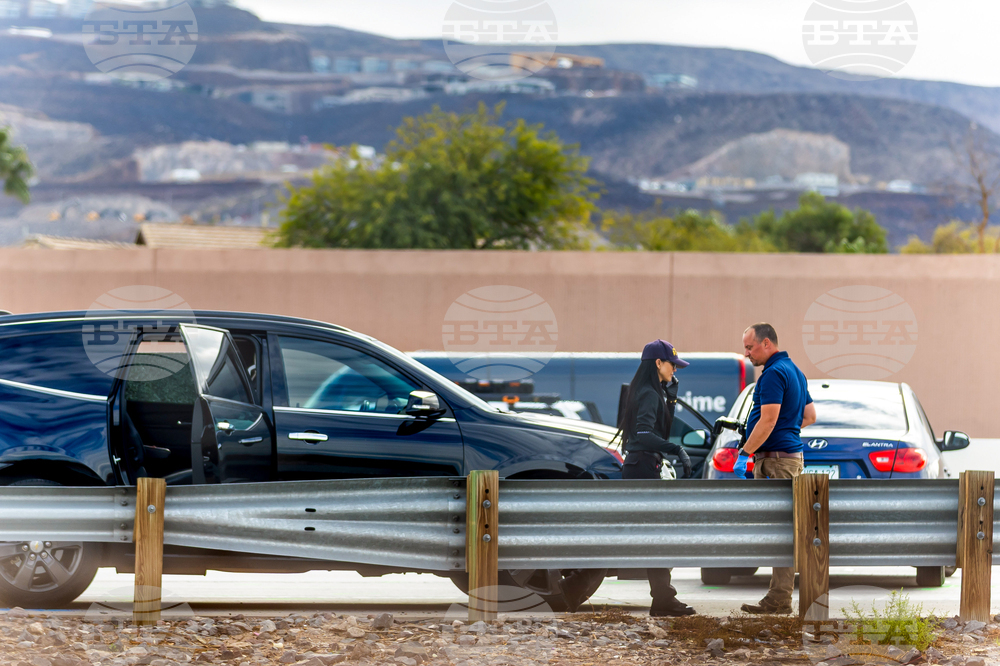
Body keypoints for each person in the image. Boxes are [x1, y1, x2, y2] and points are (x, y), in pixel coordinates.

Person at [734, 323, 817, 615]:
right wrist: (787, 429)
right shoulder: (796, 371)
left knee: (780, 530)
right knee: (784, 528)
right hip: (789, 458)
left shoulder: (772, 374)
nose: (747, 354)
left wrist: (745, 453)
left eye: (750, 347)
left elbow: (768, 420)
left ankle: (780, 598)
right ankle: (779, 597)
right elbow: (810, 415)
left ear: (766, 343)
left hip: (775, 461)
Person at [617, 339, 696, 617]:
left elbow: (658, 431)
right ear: (658, 363)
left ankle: (663, 598)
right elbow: (644, 435)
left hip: (641, 465)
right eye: (672, 364)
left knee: (656, 535)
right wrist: (677, 450)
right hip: (642, 467)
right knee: (657, 535)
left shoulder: (647, 390)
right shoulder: (649, 393)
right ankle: (663, 599)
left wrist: (670, 399)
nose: (675, 369)